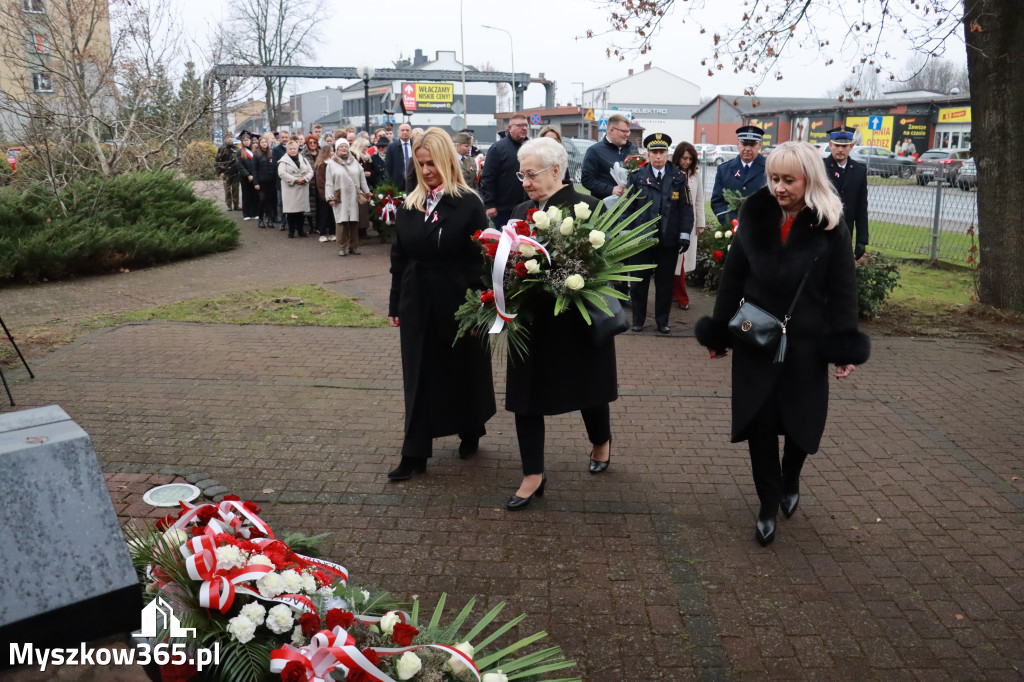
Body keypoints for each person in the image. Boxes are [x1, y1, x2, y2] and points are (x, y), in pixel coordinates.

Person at [694, 141, 870, 546]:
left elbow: (843, 290)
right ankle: (767, 501)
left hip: (806, 344)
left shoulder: (830, 225)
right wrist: (720, 332)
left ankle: (791, 476)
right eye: (773, 178)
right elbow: (732, 279)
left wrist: (844, 348)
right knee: (759, 422)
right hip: (755, 338)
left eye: (788, 180)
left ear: (809, 179)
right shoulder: (754, 216)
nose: (779, 188)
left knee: (800, 424)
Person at [504, 137, 615, 510]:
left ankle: (601, 442)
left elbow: (605, 266)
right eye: (521, 174)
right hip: (532, 322)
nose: (525, 181)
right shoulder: (520, 210)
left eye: (531, 173)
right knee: (525, 396)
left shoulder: (588, 207)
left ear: (556, 170)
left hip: (575, 321)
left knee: (590, 389)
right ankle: (532, 474)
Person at [386, 127, 495, 480]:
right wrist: (394, 305)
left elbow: (482, 258)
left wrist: (481, 304)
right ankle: (414, 452)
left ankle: (471, 426)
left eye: (432, 163)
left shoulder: (468, 203)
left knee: (462, 368)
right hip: (417, 298)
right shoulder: (410, 203)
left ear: (447, 160)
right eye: (420, 164)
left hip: (458, 300)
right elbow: (399, 257)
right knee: (417, 374)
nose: (427, 170)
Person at [626, 133, 694, 334]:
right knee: (639, 282)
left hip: (669, 240)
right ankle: (638, 320)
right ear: (647, 154)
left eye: (661, 152)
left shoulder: (678, 178)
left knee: (664, 284)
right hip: (641, 239)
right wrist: (627, 233)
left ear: (667, 153)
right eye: (654, 152)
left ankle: (662, 321)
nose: (658, 156)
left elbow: (686, 209)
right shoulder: (637, 177)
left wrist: (684, 234)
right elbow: (628, 207)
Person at [824, 126, 869, 258]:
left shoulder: (859, 170)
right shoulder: (820, 167)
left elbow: (861, 208)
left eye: (844, 146)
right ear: (830, 145)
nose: (840, 150)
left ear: (851, 146)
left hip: (846, 233)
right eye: (837, 145)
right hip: (822, 231)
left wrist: (862, 239)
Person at [710, 124, 767, 228]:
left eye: (752, 145)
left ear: (759, 145)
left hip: (761, 229)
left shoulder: (770, 168)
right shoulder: (724, 169)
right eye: (744, 144)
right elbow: (717, 201)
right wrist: (733, 221)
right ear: (738, 144)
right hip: (732, 229)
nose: (748, 149)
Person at [672, 141, 706, 311]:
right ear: (677, 157)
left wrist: (700, 223)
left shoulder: (696, 174)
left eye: (690, 159)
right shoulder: (671, 172)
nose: (686, 162)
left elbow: (699, 199)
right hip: (674, 222)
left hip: (690, 223)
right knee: (676, 259)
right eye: (684, 158)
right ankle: (680, 295)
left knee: (683, 260)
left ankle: (678, 293)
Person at [479, 114, 529, 227]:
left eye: (526, 125)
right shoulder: (498, 148)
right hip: (504, 209)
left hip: (526, 206)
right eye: (520, 125)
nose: (524, 128)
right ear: (510, 128)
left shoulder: (531, 147)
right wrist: (489, 204)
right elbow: (488, 178)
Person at [325, 139, 370, 256]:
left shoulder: (354, 161)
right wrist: (330, 197)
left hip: (354, 196)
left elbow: (362, 178)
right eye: (341, 146)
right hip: (340, 195)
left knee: (354, 222)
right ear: (337, 148)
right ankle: (342, 247)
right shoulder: (331, 163)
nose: (344, 148)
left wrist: (367, 192)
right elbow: (329, 182)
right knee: (341, 221)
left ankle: (354, 246)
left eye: (346, 146)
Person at [581, 113, 637, 200]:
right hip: (604, 207)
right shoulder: (595, 151)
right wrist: (611, 189)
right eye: (623, 131)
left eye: (628, 131)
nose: (627, 134)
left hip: (629, 207)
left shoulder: (633, 150)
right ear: (611, 131)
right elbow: (587, 180)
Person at [277, 139, 314, 238]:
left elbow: (311, 171)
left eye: (294, 148)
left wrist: (305, 178)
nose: (293, 150)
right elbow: (281, 173)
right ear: (287, 150)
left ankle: (301, 230)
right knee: (291, 212)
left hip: (302, 187)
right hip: (291, 189)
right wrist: (295, 179)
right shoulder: (283, 161)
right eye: (290, 149)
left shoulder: (303, 159)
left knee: (301, 212)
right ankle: (291, 231)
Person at [351, 138, 374, 236]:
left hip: (364, 185)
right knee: (358, 210)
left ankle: (363, 231)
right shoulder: (352, 156)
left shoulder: (366, 157)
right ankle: (358, 232)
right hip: (356, 186)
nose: (367, 148)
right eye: (365, 146)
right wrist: (363, 173)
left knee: (364, 210)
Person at [312, 144, 335, 242]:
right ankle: (323, 233)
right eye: (331, 151)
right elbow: (320, 182)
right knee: (324, 214)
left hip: (333, 192)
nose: (333, 153)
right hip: (324, 194)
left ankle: (332, 232)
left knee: (331, 214)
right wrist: (324, 194)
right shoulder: (321, 165)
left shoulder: (333, 163)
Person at [235, 131, 259, 221]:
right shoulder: (239, 152)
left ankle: (255, 213)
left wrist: (254, 175)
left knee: (255, 195)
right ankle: (246, 214)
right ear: (242, 142)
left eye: (248, 140)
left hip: (255, 176)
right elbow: (239, 165)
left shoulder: (255, 151)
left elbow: (257, 164)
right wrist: (248, 175)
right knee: (246, 195)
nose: (246, 142)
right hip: (245, 177)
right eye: (244, 140)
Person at [301, 135, 321, 235]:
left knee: (319, 205)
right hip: (309, 182)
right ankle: (311, 226)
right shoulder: (303, 155)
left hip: (320, 182)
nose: (313, 144)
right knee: (309, 205)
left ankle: (318, 226)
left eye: (315, 142)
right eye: (310, 143)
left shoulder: (321, 153)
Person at [385, 123, 414, 189]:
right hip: (397, 184)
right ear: (398, 132)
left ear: (411, 132)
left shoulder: (416, 145)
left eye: (407, 130)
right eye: (402, 130)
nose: (405, 132)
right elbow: (388, 166)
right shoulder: (392, 147)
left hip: (414, 182)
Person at [215, 138, 240, 211]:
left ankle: (236, 204)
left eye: (231, 138)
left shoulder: (236, 148)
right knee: (227, 189)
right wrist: (220, 172)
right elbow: (217, 161)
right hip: (225, 172)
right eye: (228, 138)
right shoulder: (221, 149)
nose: (229, 140)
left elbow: (239, 160)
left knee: (236, 189)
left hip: (235, 172)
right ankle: (229, 205)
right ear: (225, 139)